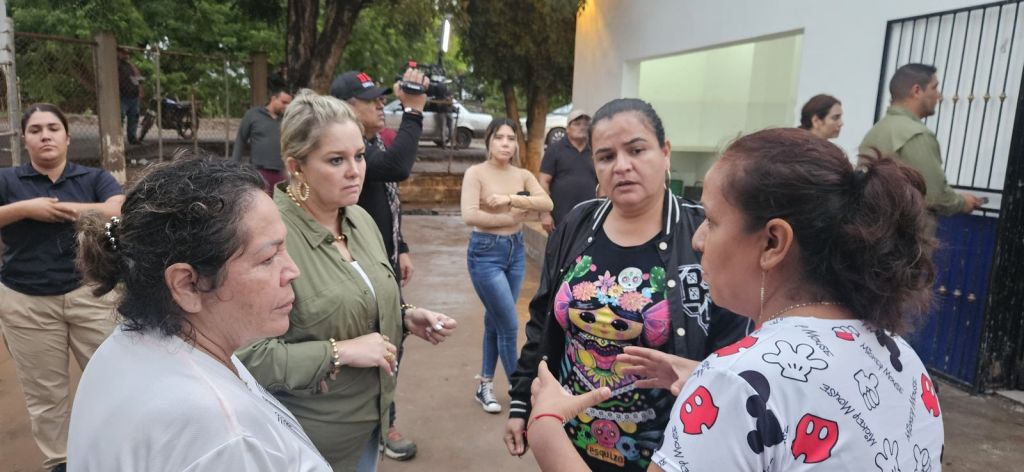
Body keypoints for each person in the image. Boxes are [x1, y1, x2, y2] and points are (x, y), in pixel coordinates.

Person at [526, 127, 945, 471]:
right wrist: (708, 376)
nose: (698, 239)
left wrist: (545, 427)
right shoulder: (904, 360)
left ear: (773, 242)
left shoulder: (736, 383)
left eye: (711, 220)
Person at [504, 98, 748, 472]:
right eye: (606, 157)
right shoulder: (579, 222)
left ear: (665, 153)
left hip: (664, 454)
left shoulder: (702, 232)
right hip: (568, 443)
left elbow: (733, 350)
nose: (621, 166)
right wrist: (522, 400)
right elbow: (541, 322)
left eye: (636, 150)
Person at [236, 90, 456, 472]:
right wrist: (338, 352)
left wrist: (404, 316)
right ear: (297, 166)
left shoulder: (359, 219)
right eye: (336, 160)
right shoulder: (269, 239)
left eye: (359, 155)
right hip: (308, 445)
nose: (355, 171)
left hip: (369, 428)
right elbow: (245, 357)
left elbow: (355, 297)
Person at [68, 156, 330, 471]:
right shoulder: (224, 436)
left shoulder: (129, 345)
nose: (293, 271)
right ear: (187, 285)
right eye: (268, 258)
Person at [0, 103, 124, 472]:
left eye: (53, 128)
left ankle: (119, 451)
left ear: (67, 137)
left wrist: (56, 209)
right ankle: (61, 462)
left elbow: (117, 210)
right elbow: (101, 210)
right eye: (35, 130)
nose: (45, 136)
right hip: (26, 301)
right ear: (24, 140)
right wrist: (25, 209)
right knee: (46, 395)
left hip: (92, 294)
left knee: (114, 378)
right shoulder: (7, 181)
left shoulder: (94, 177)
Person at [329, 68, 429, 461]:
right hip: (355, 269)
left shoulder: (369, 145)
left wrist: (400, 245)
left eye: (380, 97)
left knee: (391, 343)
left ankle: (383, 422)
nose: (380, 105)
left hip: (383, 265)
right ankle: (381, 426)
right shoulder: (356, 153)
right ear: (345, 107)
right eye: (370, 100)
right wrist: (414, 111)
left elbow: (388, 198)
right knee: (374, 348)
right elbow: (397, 166)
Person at [461, 118, 553, 414]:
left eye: (511, 138)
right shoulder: (476, 173)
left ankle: (484, 384)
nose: (505, 143)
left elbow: (546, 203)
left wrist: (509, 199)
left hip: (515, 252)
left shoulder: (522, 175)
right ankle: (520, 393)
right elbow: (469, 215)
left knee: (495, 321)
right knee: (510, 325)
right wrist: (510, 217)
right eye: (499, 137)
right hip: (485, 253)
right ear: (488, 140)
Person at [861, 63, 982, 218]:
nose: (939, 96)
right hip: (905, 229)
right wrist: (962, 203)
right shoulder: (916, 134)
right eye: (934, 88)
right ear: (917, 91)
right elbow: (934, 196)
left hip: (873, 224)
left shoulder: (876, 130)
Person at [539, 108, 596, 233]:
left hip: (589, 218)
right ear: (568, 128)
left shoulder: (595, 151)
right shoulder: (554, 150)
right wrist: (545, 214)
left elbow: (602, 184)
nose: (582, 127)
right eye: (577, 124)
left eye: (585, 124)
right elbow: (543, 182)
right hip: (560, 219)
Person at [233, 87, 294, 195]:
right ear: (274, 99)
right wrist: (234, 166)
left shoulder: (287, 120)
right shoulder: (253, 114)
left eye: (289, 104)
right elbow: (241, 140)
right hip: (259, 172)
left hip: (282, 174)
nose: (286, 106)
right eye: (284, 102)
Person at [117, 48, 143, 145]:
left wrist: (140, 89)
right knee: (120, 117)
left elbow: (138, 78)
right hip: (122, 96)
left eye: (127, 54)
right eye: (123, 53)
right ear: (119, 53)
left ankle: (132, 138)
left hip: (133, 96)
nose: (126, 55)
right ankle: (118, 138)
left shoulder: (131, 65)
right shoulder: (117, 65)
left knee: (134, 117)